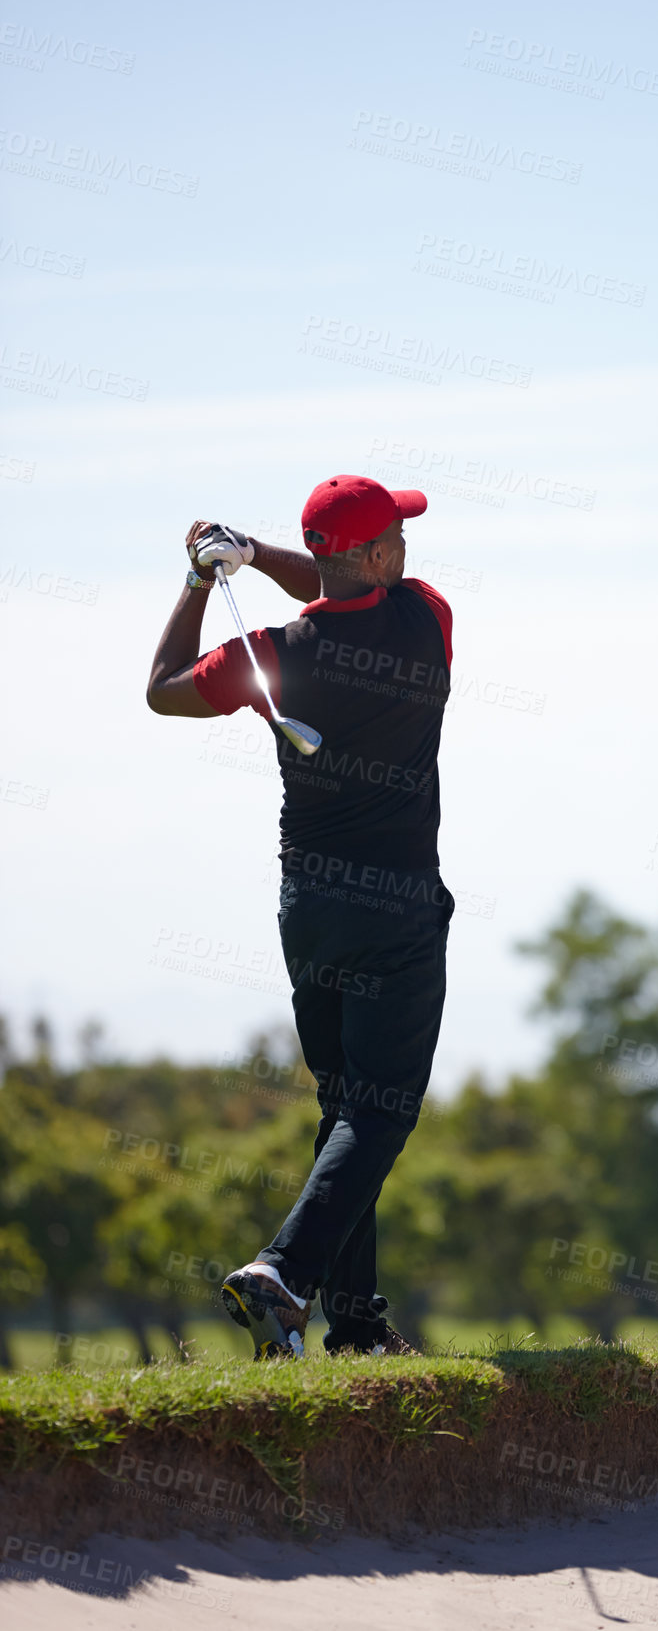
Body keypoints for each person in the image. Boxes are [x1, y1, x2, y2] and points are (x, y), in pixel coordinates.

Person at [146, 475, 455, 1357]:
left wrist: (209, 577)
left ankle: (356, 1325)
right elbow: (334, 586)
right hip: (397, 904)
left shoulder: (272, 654)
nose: (405, 543)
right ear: (374, 555)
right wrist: (253, 556)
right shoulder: (425, 620)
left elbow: (164, 687)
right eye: (394, 533)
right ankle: (283, 1271)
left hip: (310, 907)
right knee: (382, 1110)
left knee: (346, 1111)